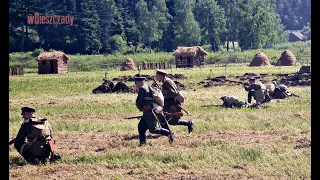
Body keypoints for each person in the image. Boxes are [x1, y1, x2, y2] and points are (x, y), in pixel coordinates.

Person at [134, 75, 174, 146]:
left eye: (136, 83)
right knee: (141, 127)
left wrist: (139, 107)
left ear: (138, 82)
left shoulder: (142, 89)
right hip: (149, 111)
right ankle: (142, 144)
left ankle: (169, 133)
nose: (135, 85)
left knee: (153, 129)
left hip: (149, 112)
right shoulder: (148, 87)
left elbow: (139, 101)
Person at [155, 69, 194, 133]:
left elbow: (174, 93)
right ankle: (167, 132)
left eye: (157, 75)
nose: (156, 77)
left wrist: (163, 97)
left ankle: (188, 123)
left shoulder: (167, 82)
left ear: (161, 76)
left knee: (172, 121)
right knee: (164, 118)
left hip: (172, 104)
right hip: (169, 104)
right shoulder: (165, 82)